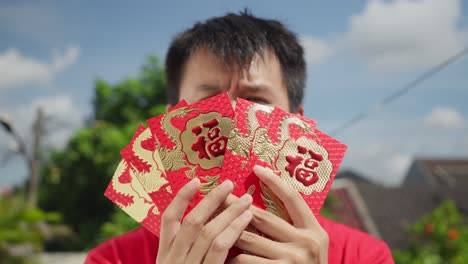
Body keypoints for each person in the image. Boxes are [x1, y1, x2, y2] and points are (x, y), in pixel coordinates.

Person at [86, 11, 394, 264]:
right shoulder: (113, 259)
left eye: (256, 101)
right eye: (209, 101)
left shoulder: (364, 256)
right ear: (170, 122)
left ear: (297, 122)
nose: (232, 118)